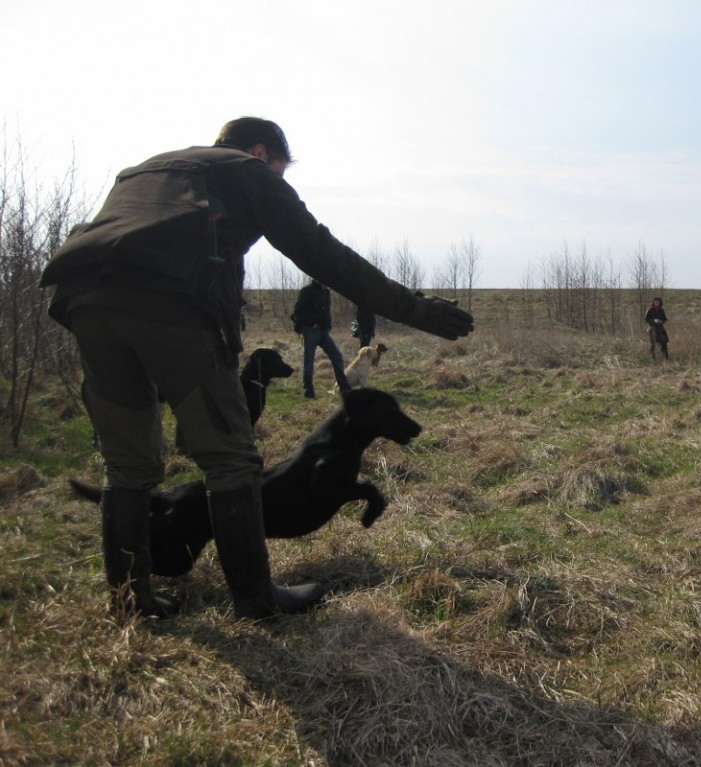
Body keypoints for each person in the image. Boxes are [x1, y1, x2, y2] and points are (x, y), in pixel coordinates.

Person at [39, 117, 474, 620]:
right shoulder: (248, 172)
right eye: (281, 172)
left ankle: (129, 598)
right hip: (169, 304)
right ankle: (257, 599)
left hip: (85, 304)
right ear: (262, 151)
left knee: (128, 464)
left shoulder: (146, 171)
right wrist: (415, 310)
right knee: (231, 458)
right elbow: (321, 253)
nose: (280, 183)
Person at [291, 280, 350, 399]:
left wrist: (327, 325)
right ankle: (308, 393)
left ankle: (345, 389)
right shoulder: (307, 291)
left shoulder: (326, 292)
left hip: (324, 331)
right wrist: (312, 323)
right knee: (309, 362)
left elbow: (326, 311)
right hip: (311, 330)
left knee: (337, 356)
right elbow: (298, 311)